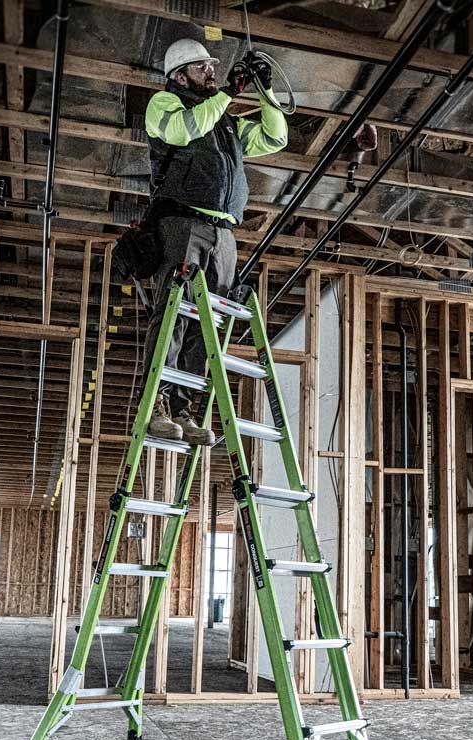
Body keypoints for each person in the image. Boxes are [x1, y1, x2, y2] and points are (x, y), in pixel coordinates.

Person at [141, 38, 287, 445]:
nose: (211, 71)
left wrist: (265, 91)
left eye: (212, 66)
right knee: (173, 314)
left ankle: (184, 410)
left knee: (205, 325)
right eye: (202, 66)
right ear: (179, 74)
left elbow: (276, 139)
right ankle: (156, 406)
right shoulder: (164, 106)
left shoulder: (225, 122)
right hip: (183, 224)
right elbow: (187, 128)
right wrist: (228, 93)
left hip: (223, 231)